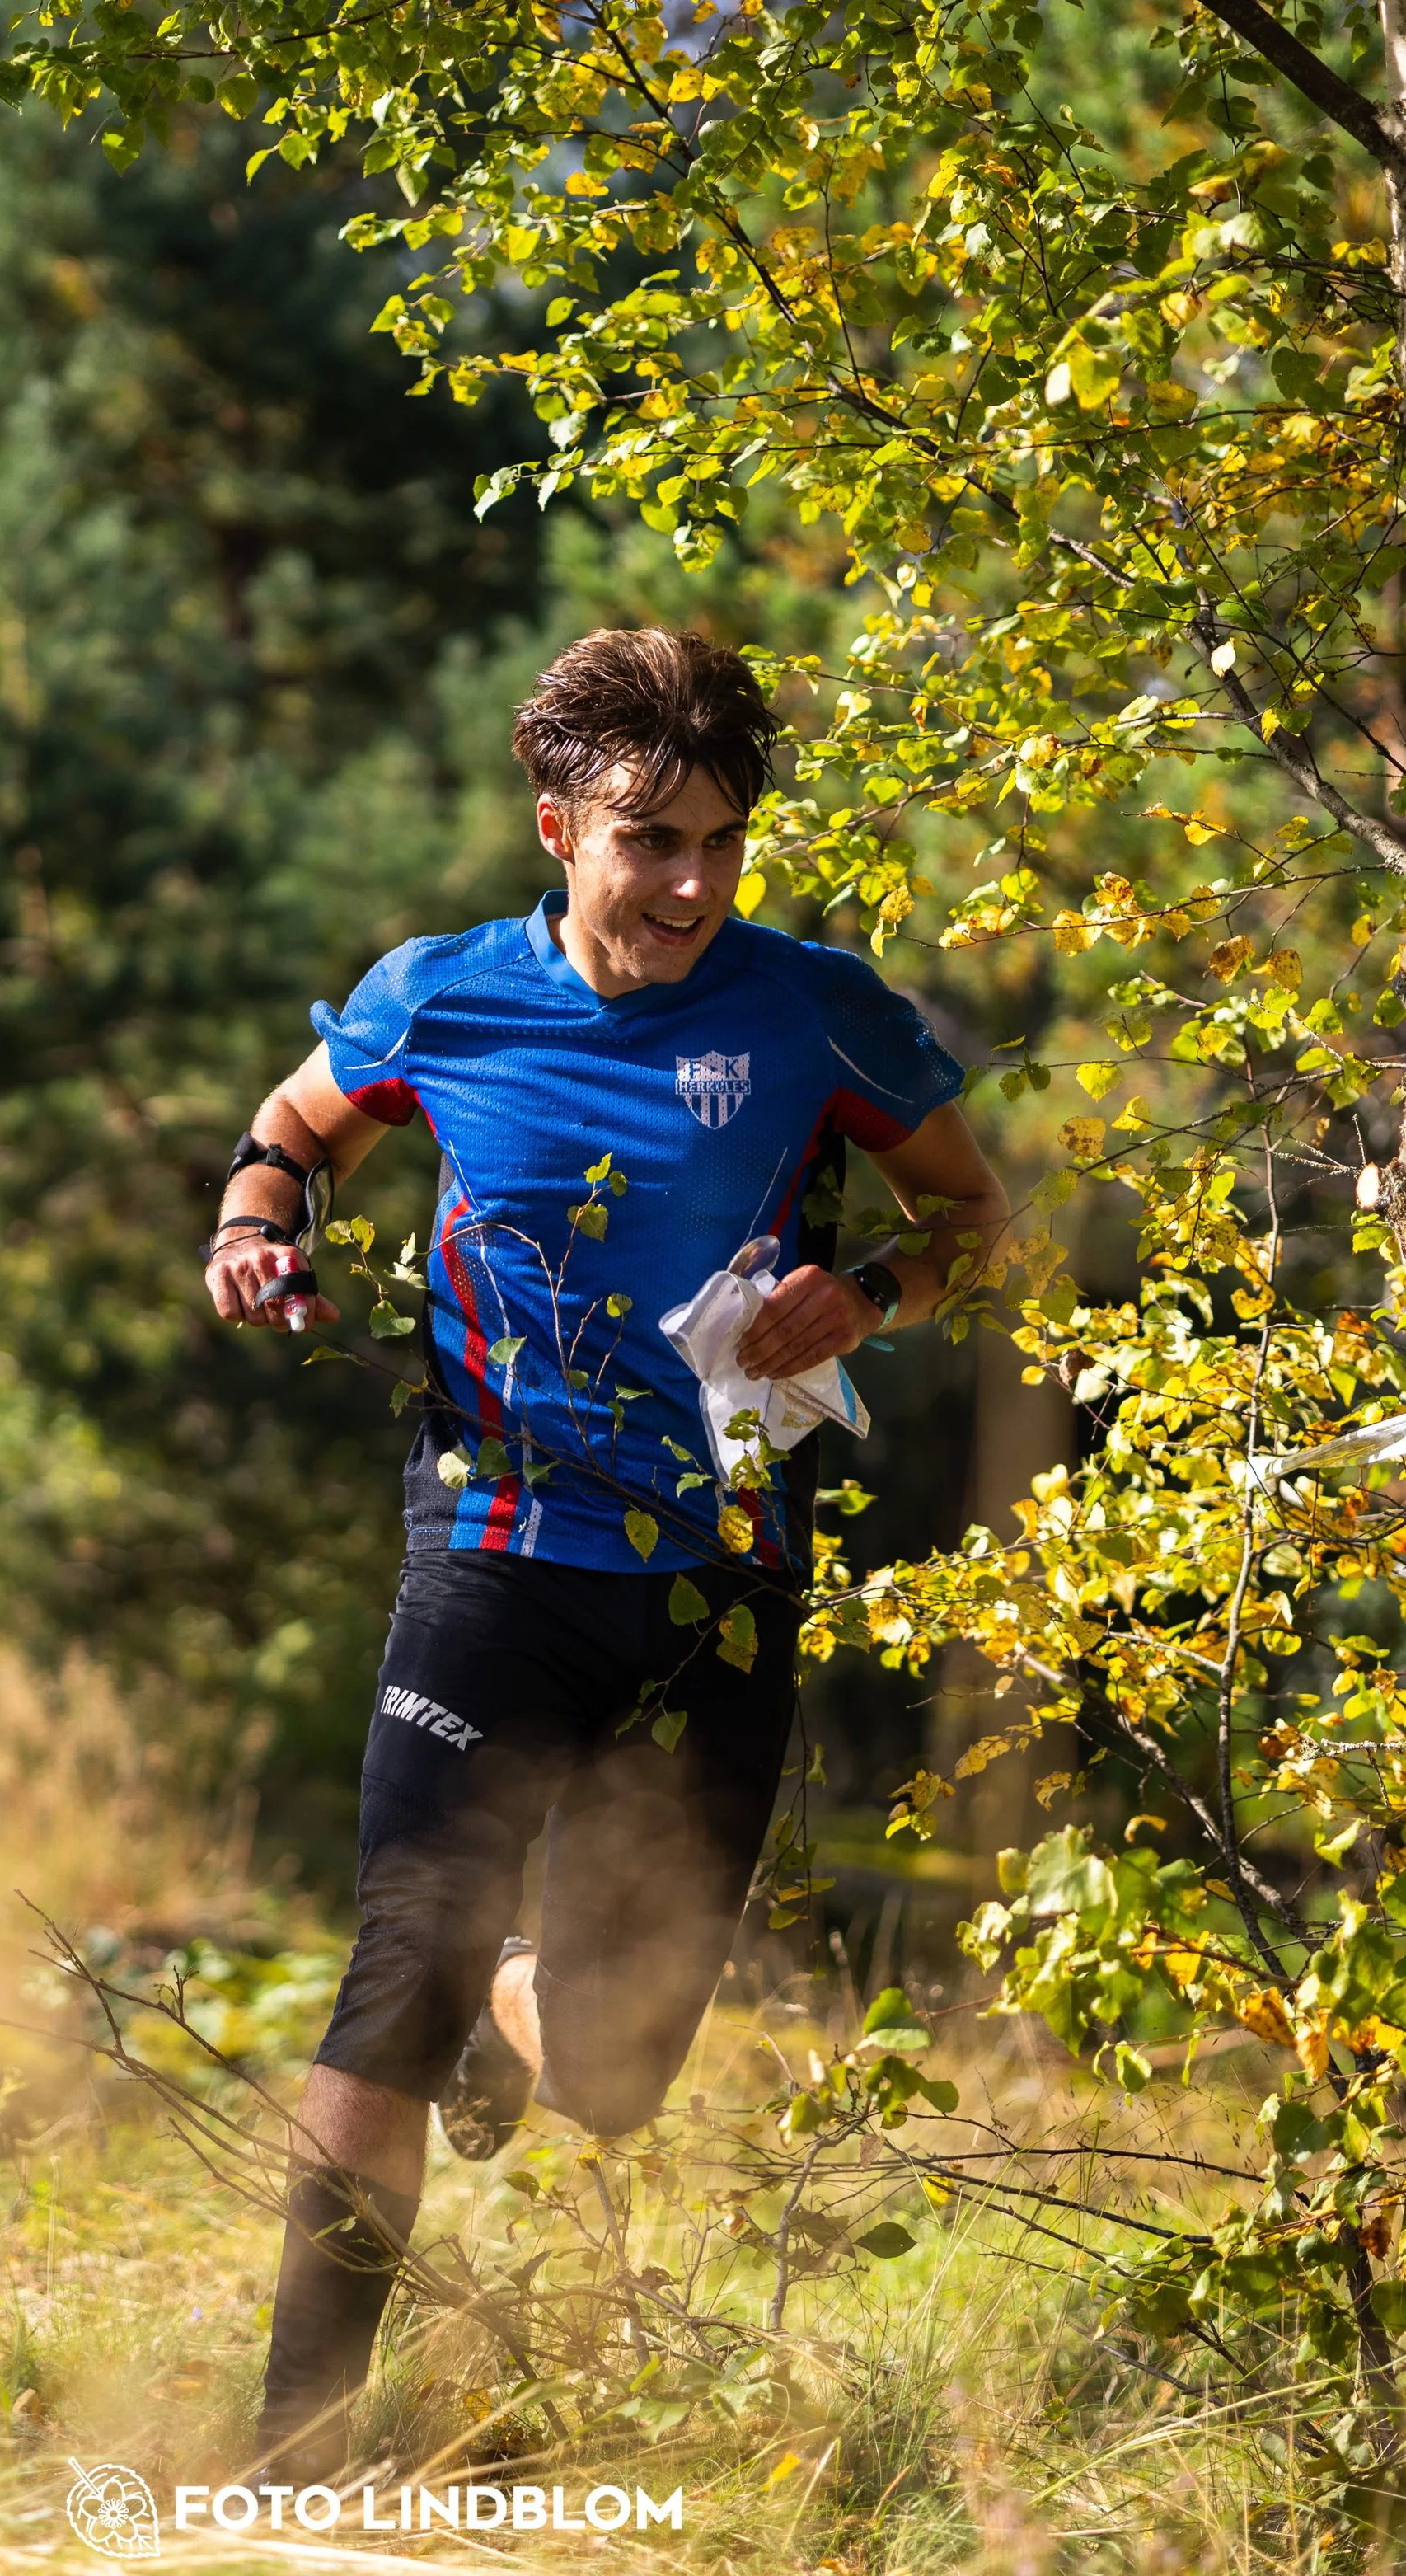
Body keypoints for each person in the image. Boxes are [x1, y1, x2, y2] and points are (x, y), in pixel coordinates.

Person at [203, 627, 1008, 2477]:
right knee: (390, 1976)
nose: (692, 883)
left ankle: (515, 2019)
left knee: (612, 2074)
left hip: (718, 1577)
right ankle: (296, 2448)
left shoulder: (812, 1013)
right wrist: (251, 1230)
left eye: (722, 840)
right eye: (651, 840)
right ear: (558, 825)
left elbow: (969, 1212)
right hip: (490, 1546)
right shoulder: (440, 996)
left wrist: (869, 1287)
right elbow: (286, 1134)